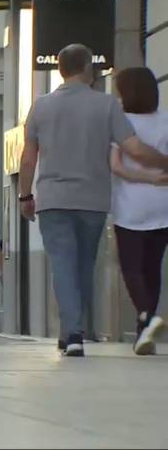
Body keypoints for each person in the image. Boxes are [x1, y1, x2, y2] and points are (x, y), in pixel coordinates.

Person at [18, 44, 168, 357]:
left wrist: (25, 195)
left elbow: (29, 157)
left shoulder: (41, 106)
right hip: (92, 201)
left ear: (60, 68)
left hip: (54, 199)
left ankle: (71, 332)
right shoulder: (107, 105)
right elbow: (134, 149)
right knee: (85, 266)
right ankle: (75, 330)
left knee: (62, 266)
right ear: (87, 67)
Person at [109, 67, 168, 355]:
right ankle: (144, 332)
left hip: (130, 205)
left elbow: (117, 166)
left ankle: (145, 316)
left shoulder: (122, 122)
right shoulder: (166, 120)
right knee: (152, 268)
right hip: (163, 203)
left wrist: (145, 177)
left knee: (131, 267)